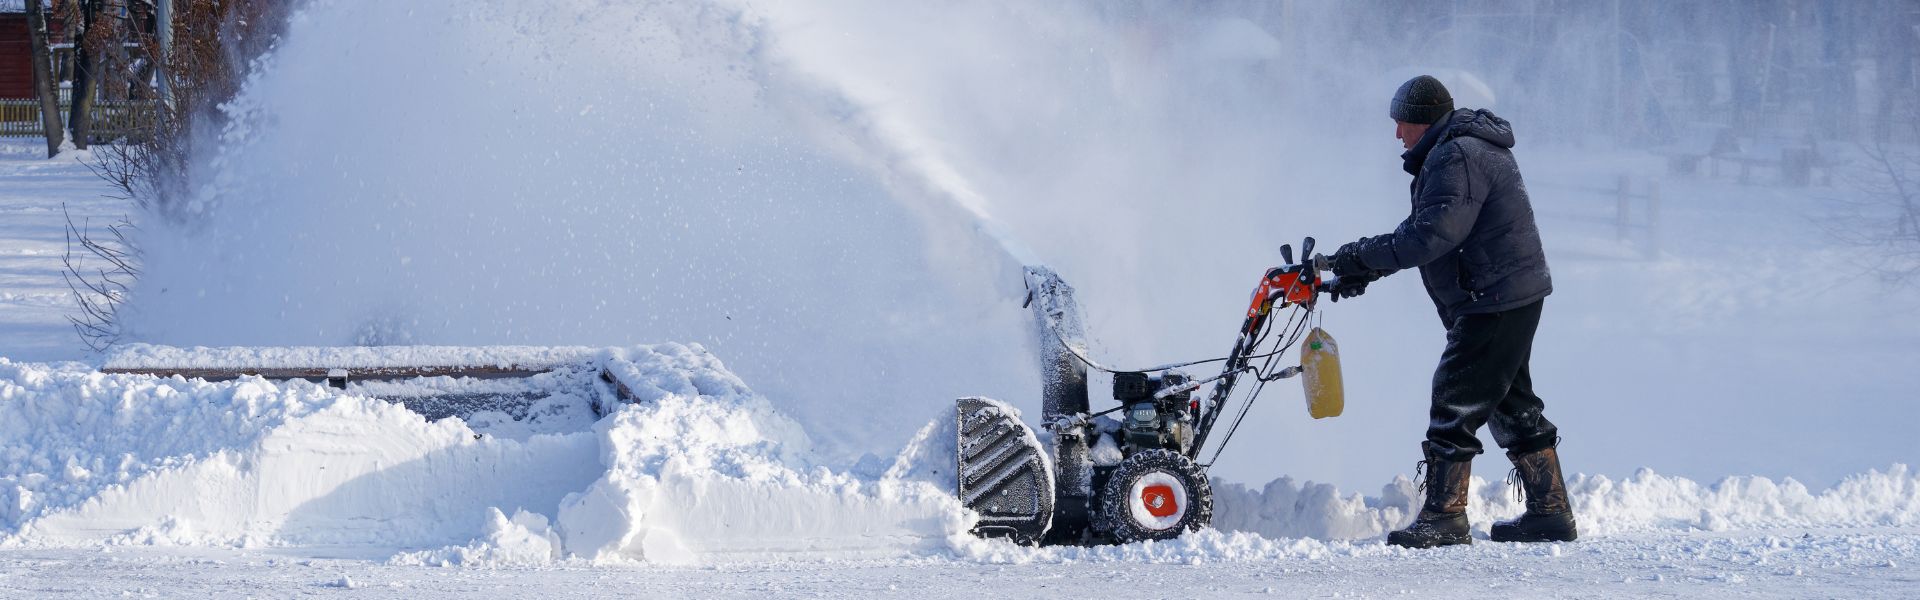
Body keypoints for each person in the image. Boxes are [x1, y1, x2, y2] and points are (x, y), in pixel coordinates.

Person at [1325, 75, 1577, 548]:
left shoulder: (1458, 155)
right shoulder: (1458, 150)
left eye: (1402, 122)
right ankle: (1551, 512)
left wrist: (1359, 256)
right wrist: (1364, 268)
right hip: (1504, 294)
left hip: (1493, 298)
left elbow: (1430, 236)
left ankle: (1445, 515)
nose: (1397, 133)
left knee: (1455, 397)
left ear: (1423, 120)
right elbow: (1428, 229)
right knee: (1510, 402)